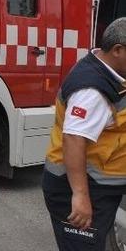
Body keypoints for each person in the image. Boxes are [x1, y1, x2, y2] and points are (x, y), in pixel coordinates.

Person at [42, 17, 126, 250]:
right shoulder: (92, 90)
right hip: (82, 187)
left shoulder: (111, 70)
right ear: (118, 50)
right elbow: (74, 139)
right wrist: (80, 196)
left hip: (103, 185)